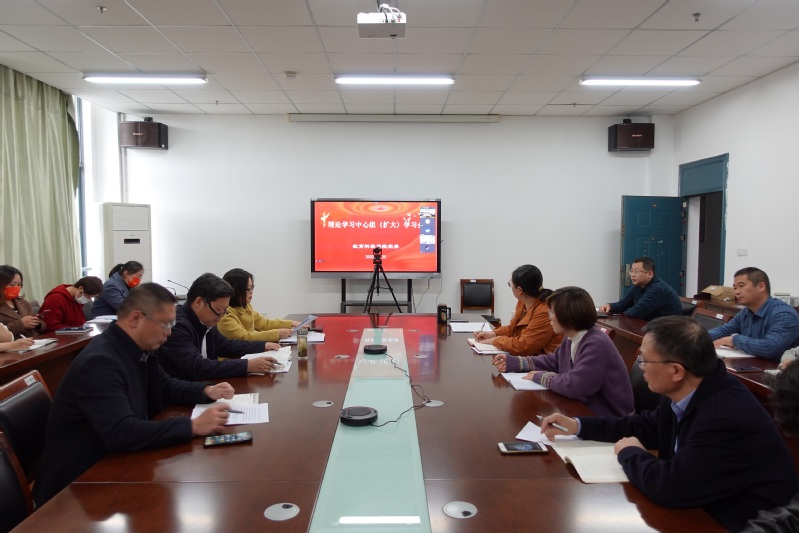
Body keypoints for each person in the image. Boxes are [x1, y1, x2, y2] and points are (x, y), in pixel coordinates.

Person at [540, 316, 798, 532]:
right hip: (704, 505)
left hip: (745, 522)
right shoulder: (690, 387)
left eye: (644, 360)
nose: (641, 367)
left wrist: (630, 453)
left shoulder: (724, 417)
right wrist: (578, 425)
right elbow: (645, 427)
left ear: (676, 371)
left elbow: (671, 486)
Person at [31, 283, 236, 507]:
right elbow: (121, 432)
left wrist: (206, 390)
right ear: (136, 318)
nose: (169, 332)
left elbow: (164, 386)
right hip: (79, 488)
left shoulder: (136, 348)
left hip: (113, 464)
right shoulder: (101, 362)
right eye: (165, 324)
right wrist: (193, 426)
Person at [492, 287, 634, 416]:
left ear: (569, 314)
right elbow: (553, 361)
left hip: (611, 420)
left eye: (552, 312)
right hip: (586, 411)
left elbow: (575, 386)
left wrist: (543, 377)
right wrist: (517, 362)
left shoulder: (596, 343)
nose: (549, 317)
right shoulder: (572, 336)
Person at [156, 273, 281, 380]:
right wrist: (247, 366)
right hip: (181, 395)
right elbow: (197, 366)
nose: (221, 316)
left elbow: (226, 346)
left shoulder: (207, 319)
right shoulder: (176, 326)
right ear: (199, 302)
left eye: (224, 311)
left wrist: (263, 345)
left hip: (203, 386)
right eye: (219, 310)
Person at [709, 267, 799, 361]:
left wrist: (734, 340)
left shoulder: (784, 314)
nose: (737, 292)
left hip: (777, 368)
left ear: (761, 287)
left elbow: (770, 348)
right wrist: (700, 337)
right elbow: (724, 330)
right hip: (752, 364)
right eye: (735, 288)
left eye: (741, 286)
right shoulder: (745, 312)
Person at [473, 264, 562, 355]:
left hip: (543, 360)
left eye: (510, 284)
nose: (510, 287)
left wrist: (495, 341)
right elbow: (512, 328)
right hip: (527, 356)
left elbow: (525, 345)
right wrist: (493, 334)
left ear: (519, 290)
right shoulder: (522, 301)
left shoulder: (544, 311)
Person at [217, 268, 299, 343]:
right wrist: (276, 334)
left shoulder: (246, 306)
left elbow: (264, 324)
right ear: (236, 290)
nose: (251, 291)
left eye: (252, 287)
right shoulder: (224, 314)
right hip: (237, 354)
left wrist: (292, 323)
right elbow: (244, 337)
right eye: (248, 288)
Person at [598, 256, 682, 321]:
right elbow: (623, 304)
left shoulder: (658, 289)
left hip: (668, 332)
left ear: (650, 273)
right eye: (631, 271)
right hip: (652, 327)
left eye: (636, 271)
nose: (632, 275)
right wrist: (609, 306)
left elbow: (636, 312)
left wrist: (617, 315)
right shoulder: (639, 286)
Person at [39, 276, 104, 333]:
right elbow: (51, 327)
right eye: (88, 296)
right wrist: (77, 329)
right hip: (59, 337)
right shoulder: (55, 299)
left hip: (75, 335)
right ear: (80, 288)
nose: (89, 299)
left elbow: (79, 322)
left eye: (91, 297)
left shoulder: (77, 298)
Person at [0, 265, 46, 338]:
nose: (16, 287)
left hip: (35, 341)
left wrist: (37, 323)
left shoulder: (23, 302)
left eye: (19, 284)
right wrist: (21, 324)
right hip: (14, 344)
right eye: (12, 284)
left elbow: (43, 326)